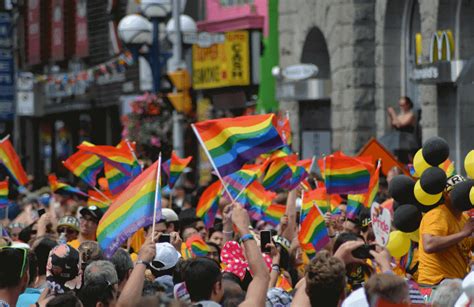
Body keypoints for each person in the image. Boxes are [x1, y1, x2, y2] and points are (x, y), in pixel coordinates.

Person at [418, 175, 474, 286]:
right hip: (435, 284)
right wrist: (463, 233)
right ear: (446, 194)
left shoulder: (465, 219)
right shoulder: (437, 214)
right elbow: (429, 244)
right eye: (458, 191)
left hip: (456, 284)